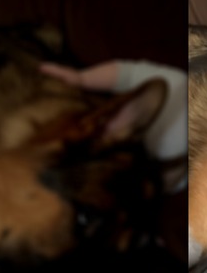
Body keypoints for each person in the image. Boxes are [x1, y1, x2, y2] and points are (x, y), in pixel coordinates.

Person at [39, 60, 188, 194]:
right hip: (107, 137)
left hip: (141, 175)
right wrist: (82, 78)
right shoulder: (180, 85)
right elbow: (126, 74)